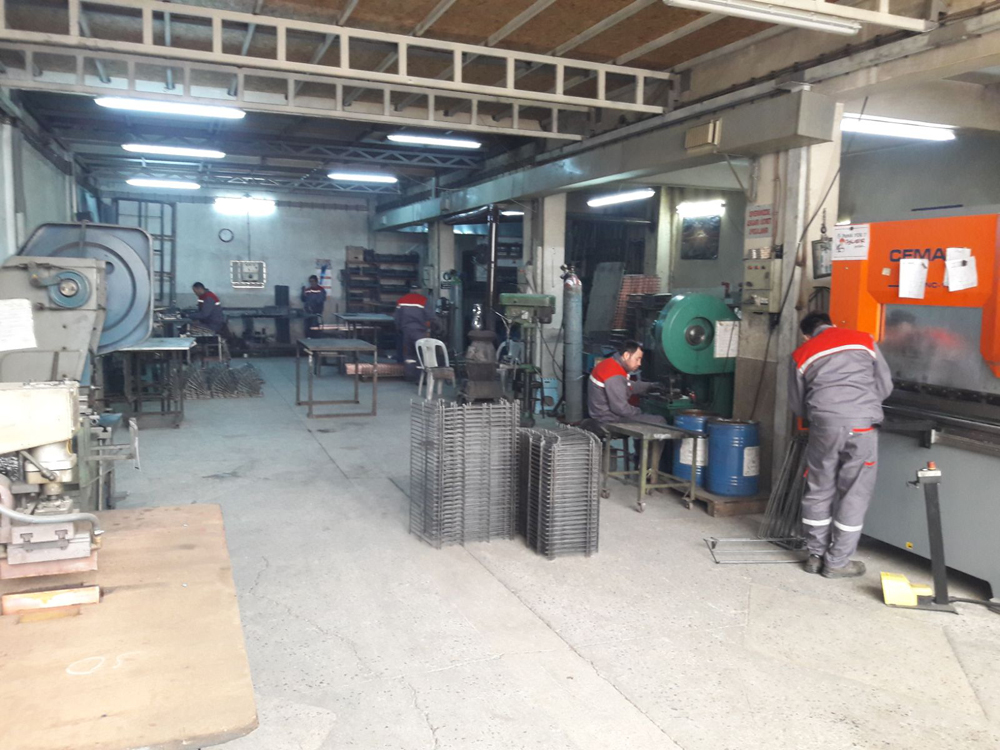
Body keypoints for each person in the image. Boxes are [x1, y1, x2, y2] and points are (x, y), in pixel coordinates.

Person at [789, 311, 894, 579]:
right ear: (832, 324)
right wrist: (861, 406)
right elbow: (884, 385)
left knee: (818, 487)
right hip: (862, 425)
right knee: (854, 492)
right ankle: (837, 562)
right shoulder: (864, 340)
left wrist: (824, 415)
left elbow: (798, 405)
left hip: (824, 426)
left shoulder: (801, 354)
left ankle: (815, 555)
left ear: (806, 335)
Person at [587, 340, 665, 427]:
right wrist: (639, 411)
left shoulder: (610, 363)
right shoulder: (614, 375)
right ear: (626, 355)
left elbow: (628, 385)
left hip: (602, 414)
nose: (639, 363)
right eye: (637, 359)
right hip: (609, 419)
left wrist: (650, 386)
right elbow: (620, 409)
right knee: (660, 420)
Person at [394, 285, 435, 369]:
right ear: (420, 290)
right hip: (420, 332)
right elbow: (430, 318)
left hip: (406, 331)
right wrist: (429, 330)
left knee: (408, 355)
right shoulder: (424, 300)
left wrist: (399, 329)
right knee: (423, 353)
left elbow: (397, 318)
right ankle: (423, 373)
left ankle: (410, 373)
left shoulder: (401, 300)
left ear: (410, 290)